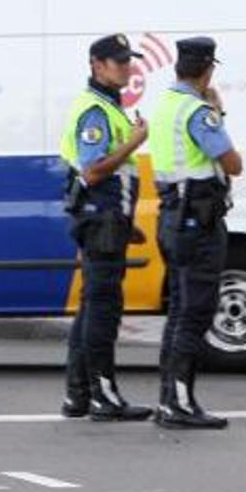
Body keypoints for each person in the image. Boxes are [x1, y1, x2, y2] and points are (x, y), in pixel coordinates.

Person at [147, 37, 242, 430]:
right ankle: (180, 405)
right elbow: (232, 164)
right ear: (208, 70)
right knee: (196, 312)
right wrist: (218, 110)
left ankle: (169, 398)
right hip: (198, 223)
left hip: (172, 216)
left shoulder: (166, 105)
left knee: (179, 311)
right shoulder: (200, 112)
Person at [58, 34, 154, 422]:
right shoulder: (95, 110)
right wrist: (134, 142)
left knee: (92, 309)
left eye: (128, 61)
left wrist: (127, 224)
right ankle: (103, 396)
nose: (127, 68)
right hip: (99, 221)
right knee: (102, 310)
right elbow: (93, 170)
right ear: (97, 65)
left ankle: (78, 396)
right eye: (118, 62)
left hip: (107, 221)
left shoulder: (110, 106)